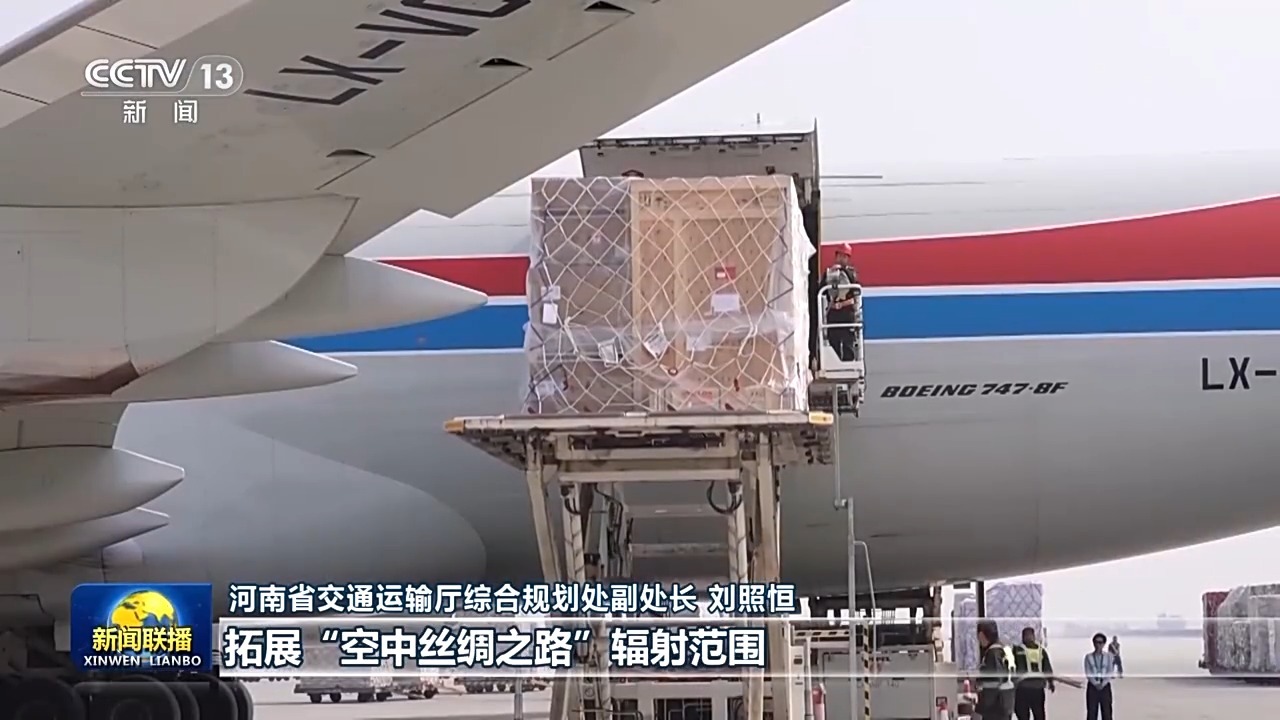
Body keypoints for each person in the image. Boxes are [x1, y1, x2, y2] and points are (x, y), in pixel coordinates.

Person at [822, 244, 860, 362]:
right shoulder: (829, 272)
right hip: (833, 313)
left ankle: (849, 365)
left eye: (845, 256)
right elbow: (821, 289)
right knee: (834, 341)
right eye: (840, 255)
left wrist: (842, 271)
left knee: (848, 342)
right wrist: (830, 275)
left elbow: (855, 291)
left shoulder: (851, 272)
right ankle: (835, 364)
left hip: (847, 313)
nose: (842, 258)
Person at [974, 619, 1017, 720]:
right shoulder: (1004, 649)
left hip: (995, 708)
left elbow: (993, 683)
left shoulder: (993, 653)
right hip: (1006, 702)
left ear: (981, 635)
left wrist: (980, 708)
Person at [1012, 626, 1054, 720]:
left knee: (1022, 714)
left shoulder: (1017, 650)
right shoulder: (1041, 651)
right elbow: (1047, 669)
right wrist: (1051, 683)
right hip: (1038, 688)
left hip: (1022, 688)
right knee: (1039, 714)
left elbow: (1010, 667)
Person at [1084, 633, 1119, 720]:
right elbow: (1088, 672)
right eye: (1096, 642)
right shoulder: (1088, 657)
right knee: (1091, 713)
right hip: (1093, 686)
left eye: (1100, 642)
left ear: (1103, 644)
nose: (1098, 645)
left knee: (1107, 712)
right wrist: (1095, 683)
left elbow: (1110, 671)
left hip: (1105, 686)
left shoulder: (1108, 656)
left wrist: (1103, 684)